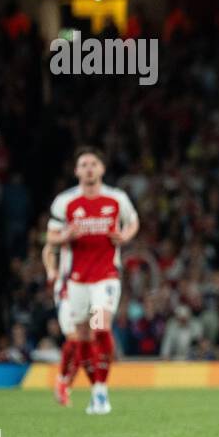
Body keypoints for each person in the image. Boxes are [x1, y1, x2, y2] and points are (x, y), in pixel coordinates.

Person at [45, 148, 139, 414]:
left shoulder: (116, 198)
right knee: (83, 337)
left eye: (93, 164)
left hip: (106, 276)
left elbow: (133, 221)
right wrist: (65, 237)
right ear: (76, 171)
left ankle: (102, 391)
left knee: (100, 329)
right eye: (83, 164)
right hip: (76, 281)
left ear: (102, 169)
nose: (88, 168)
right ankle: (95, 390)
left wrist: (126, 236)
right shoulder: (65, 202)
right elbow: (50, 237)